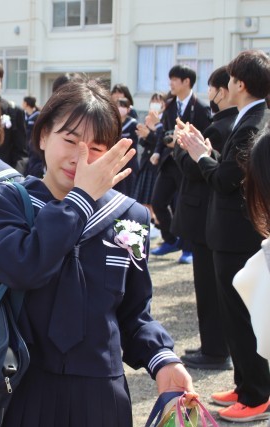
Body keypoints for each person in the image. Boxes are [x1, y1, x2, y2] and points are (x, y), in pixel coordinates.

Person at [0, 79, 194, 426]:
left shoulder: (129, 216)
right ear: (43, 136)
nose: (81, 157)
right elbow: (23, 267)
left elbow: (134, 311)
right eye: (70, 140)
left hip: (101, 393)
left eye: (97, 147)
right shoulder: (5, 202)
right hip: (22, 385)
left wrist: (163, 359)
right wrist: (80, 200)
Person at [178, 49, 270, 423]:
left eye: (230, 78)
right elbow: (230, 171)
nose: (225, 84)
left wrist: (200, 155)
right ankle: (244, 384)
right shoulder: (251, 118)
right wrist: (208, 152)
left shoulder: (251, 123)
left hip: (236, 234)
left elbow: (225, 179)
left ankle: (257, 394)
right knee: (235, 315)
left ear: (240, 84)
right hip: (232, 232)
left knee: (242, 316)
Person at [172, 65, 236, 371]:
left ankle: (214, 350)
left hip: (205, 215)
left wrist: (180, 147)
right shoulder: (235, 123)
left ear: (222, 91)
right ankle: (215, 347)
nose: (208, 93)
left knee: (208, 287)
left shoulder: (219, 127)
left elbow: (195, 168)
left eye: (212, 87)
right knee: (216, 286)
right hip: (218, 216)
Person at [150, 65, 211, 264]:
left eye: (175, 79)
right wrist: (158, 151)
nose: (171, 84)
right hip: (169, 162)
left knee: (183, 206)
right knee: (157, 202)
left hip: (188, 164)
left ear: (186, 82)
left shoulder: (201, 108)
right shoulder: (169, 105)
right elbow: (164, 132)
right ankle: (170, 240)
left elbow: (205, 137)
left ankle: (188, 248)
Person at [133, 92, 166, 220]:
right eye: (153, 101)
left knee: (154, 200)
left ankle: (155, 223)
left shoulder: (164, 120)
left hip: (157, 165)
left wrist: (149, 135)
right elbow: (142, 142)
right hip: (146, 163)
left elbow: (162, 141)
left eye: (158, 101)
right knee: (142, 200)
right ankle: (147, 223)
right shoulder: (148, 119)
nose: (155, 104)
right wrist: (144, 135)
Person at [114, 96, 139, 196]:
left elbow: (134, 142)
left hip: (129, 160)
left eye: (123, 106)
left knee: (128, 187)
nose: (120, 108)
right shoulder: (113, 123)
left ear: (128, 109)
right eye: (118, 106)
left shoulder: (133, 124)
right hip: (115, 159)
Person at [21, 95, 43, 177]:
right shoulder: (24, 115)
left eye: (23, 102)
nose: (22, 104)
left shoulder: (38, 116)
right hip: (26, 147)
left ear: (26, 103)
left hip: (35, 147)